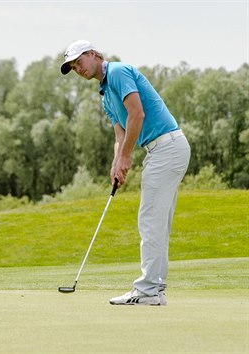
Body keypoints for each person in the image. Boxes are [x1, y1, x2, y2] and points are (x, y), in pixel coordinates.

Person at [60, 40, 190, 306]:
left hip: (167, 147)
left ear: (94, 54)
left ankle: (148, 291)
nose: (78, 69)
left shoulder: (118, 72)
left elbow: (137, 114)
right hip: (163, 151)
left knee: (150, 220)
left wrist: (127, 156)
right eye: (73, 67)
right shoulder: (105, 94)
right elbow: (120, 133)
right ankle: (156, 289)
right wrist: (116, 162)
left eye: (79, 61)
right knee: (156, 222)